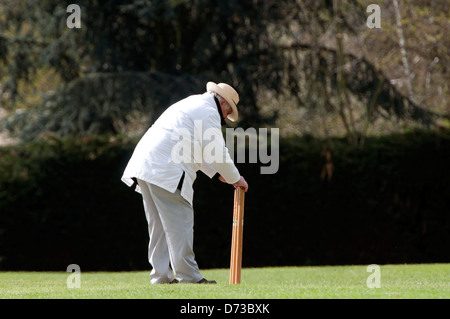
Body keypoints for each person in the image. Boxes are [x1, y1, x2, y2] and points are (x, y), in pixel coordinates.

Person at [121, 82, 248, 284]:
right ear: (222, 102)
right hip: (166, 168)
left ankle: (161, 277)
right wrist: (236, 178)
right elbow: (216, 150)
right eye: (228, 110)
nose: (226, 116)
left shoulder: (194, 103)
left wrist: (218, 175)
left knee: (160, 227)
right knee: (180, 222)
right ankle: (189, 278)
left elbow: (198, 150)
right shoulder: (208, 111)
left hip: (147, 165)